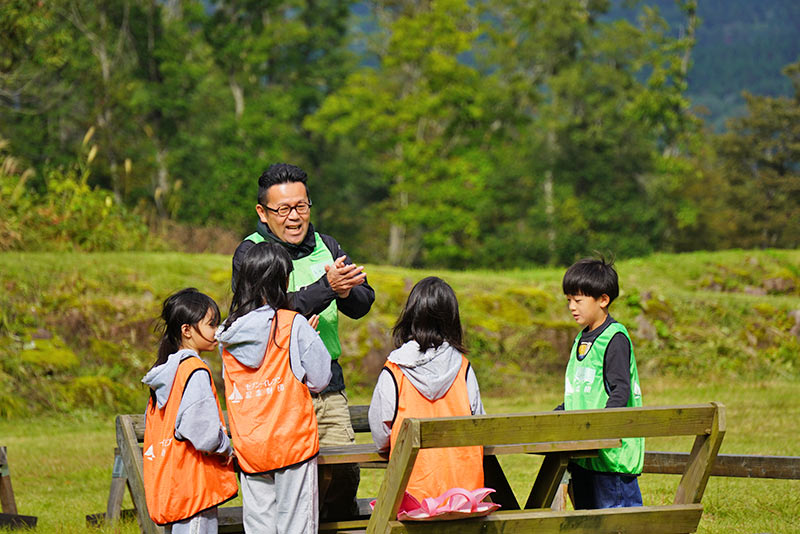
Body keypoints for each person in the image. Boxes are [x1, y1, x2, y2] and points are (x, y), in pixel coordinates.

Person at [232, 163, 374, 519]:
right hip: (276, 394)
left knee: (343, 476)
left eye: (301, 206)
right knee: (287, 490)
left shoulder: (327, 245)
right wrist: (327, 288)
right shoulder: (251, 254)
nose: (294, 217)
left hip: (328, 389)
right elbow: (263, 311)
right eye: (283, 209)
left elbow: (362, 304)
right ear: (262, 213)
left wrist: (344, 290)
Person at [217, 242, 332, 534]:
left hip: (251, 446)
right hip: (292, 444)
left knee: (259, 527)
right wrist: (308, 338)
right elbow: (320, 379)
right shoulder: (292, 324)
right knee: (297, 526)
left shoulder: (228, 336)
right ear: (281, 280)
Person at [368, 276, 485, 501]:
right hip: (464, 494)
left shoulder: (395, 369)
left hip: (411, 494)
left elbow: (381, 434)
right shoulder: (463, 367)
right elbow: (479, 423)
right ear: (452, 319)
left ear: (411, 315)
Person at [142, 288, 238, 534]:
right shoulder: (195, 370)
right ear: (187, 330)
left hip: (174, 484)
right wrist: (228, 448)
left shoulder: (168, 371)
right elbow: (201, 432)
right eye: (210, 324)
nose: (216, 331)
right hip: (195, 487)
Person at [558, 257, 644, 509]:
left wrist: (602, 430)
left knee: (619, 525)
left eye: (578, 300)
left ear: (603, 300)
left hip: (610, 458)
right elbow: (580, 394)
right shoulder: (582, 339)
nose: (572, 307)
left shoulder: (614, 338)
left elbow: (620, 391)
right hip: (586, 455)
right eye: (568, 301)